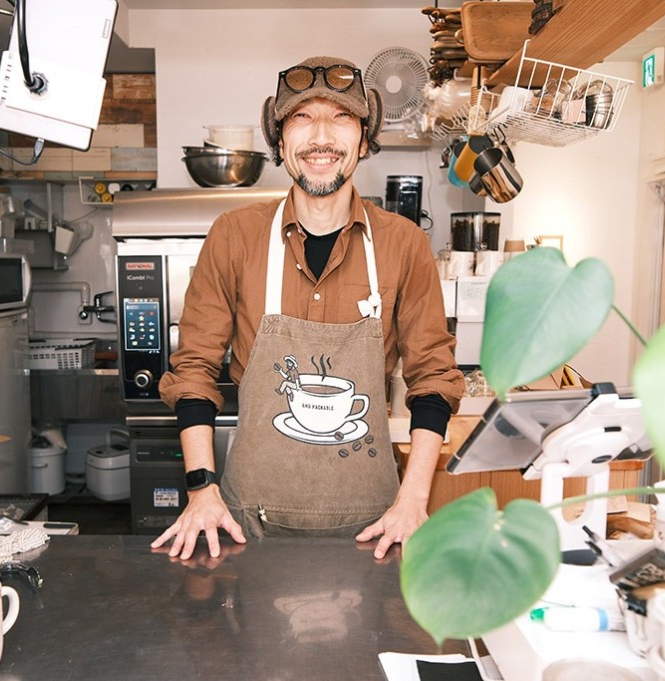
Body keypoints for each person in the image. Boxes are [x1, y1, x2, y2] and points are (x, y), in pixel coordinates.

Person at [152, 56, 464, 561]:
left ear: (364, 140)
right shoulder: (235, 236)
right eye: (301, 117)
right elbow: (193, 371)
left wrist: (413, 500)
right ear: (279, 143)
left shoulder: (403, 243)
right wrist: (200, 490)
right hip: (244, 524)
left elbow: (433, 376)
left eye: (341, 117)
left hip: (376, 527)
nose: (321, 136)